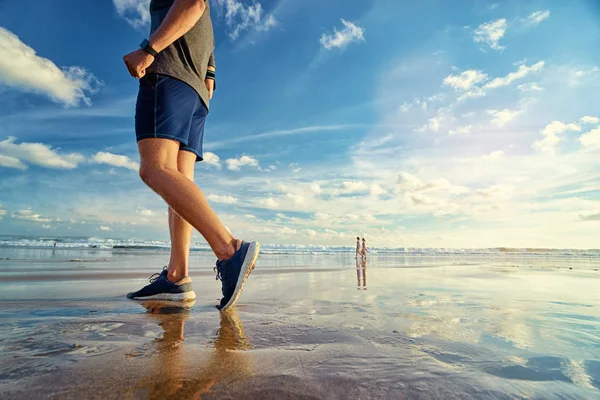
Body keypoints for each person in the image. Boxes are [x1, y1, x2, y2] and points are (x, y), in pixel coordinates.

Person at [122, 0, 259, 310]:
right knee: (178, 180)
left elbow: (192, 3)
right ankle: (177, 276)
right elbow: (210, 61)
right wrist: (208, 79)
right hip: (195, 92)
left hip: (168, 76)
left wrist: (149, 49)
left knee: (154, 169)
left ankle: (229, 249)